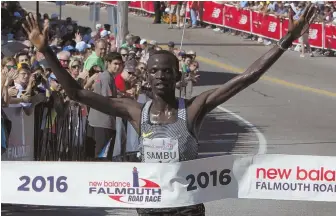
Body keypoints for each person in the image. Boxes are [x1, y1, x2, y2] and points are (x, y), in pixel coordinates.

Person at [23, 3, 316, 215]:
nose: (161, 76)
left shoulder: (193, 109)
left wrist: (286, 41)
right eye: (155, 71)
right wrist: (46, 51)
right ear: (146, 77)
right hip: (149, 208)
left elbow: (247, 77)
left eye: (167, 71)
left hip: (187, 209)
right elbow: (76, 92)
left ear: (177, 77)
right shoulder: (136, 112)